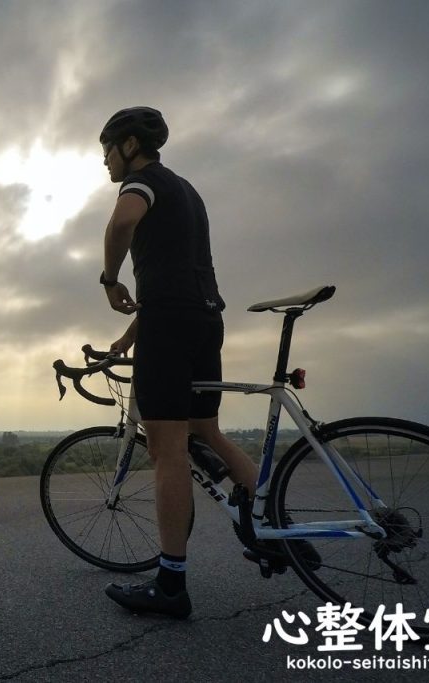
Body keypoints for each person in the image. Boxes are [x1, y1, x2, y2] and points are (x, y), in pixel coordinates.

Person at [96, 107, 272, 618]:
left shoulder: (142, 182)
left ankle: (170, 585)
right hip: (204, 318)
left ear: (129, 146)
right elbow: (176, 278)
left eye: (106, 150)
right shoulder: (186, 190)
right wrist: (133, 334)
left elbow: (121, 224)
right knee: (206, 430)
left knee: (168, 452)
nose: (104, 162)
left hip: (172, 326)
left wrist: (110, 280)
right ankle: (267, 523)